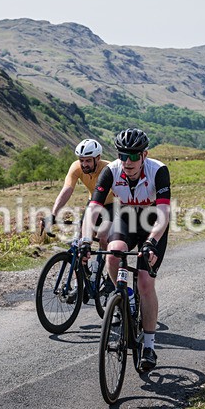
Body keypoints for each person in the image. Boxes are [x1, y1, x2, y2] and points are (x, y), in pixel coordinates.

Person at [79, 128, 171, 372]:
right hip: (128, 217)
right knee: (113, 253)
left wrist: (152, 241)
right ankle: (126, 297)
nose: (128, 161)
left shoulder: (158, 170)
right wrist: (86, 240)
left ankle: (149, 346)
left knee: (144, 281)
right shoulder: (112, 171)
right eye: (123, 155)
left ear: (144, 155)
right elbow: (94, 208)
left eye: (133, 156)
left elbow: (163, 212)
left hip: (153, 222)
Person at [47, 139, 114, 247]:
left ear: (98, 158)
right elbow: (67, 189)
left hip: (113, 204)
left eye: (88, 161)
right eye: (81, 160)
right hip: (93, 202)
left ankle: (112, 261)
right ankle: (81, 262)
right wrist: (53, 214)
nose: (84, 164)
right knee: (81, 237)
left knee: (103, 238)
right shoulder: (76, 167)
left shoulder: (110, 168)